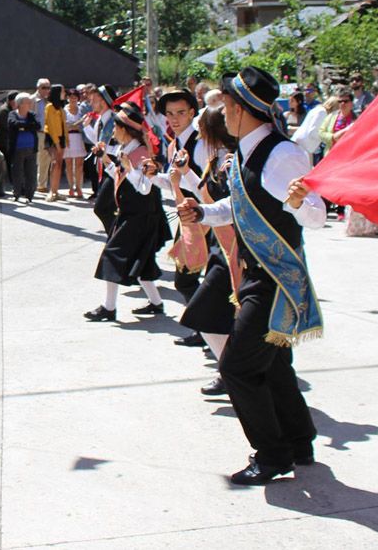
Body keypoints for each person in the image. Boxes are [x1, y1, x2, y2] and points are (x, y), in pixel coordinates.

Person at [176, 67, 325, 486]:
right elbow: (239, 207)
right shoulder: (245, 150)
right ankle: (299, 440)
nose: (220, 112)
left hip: (277, 277)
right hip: (255, 273)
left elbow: (317, 216)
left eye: (224, 103)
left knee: (238, 367)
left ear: (239, 108)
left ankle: (273, 455)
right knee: (272, 361)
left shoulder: (282, 155)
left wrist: (299, 202)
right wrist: (203, 213)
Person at [165, 106, 239, 394]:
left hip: (235, 248)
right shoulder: (216, 159)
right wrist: (186, 175)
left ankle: (233, 372)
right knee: (210, 314)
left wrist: (201, 211)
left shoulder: (230, 161)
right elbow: (206, 194)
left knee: (205, 311)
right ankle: (230, 371)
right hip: (222, 244)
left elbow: (227, 204)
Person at [83, 102, 171, 321]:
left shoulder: (140, 153)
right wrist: (106, 159)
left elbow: (145, 187)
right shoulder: (127, 149)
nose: (113, 131)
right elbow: (119, 176)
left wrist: (129, 168)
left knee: (112, 255)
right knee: (142, 262)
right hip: (130, 214)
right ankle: (156, 303)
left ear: (125, 129)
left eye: (116, 127)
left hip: (140, 215)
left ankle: (109, 307)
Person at [157, 88, 204, 302]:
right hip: (186, 218)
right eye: (170, 113)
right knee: (186, 278)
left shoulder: (201, 143)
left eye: (180, 112)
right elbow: (172, 182)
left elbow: (209, 188)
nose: (174, 119)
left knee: (187, 279)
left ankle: (207, 330)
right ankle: (204, 330)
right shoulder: (174, 145)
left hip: (204, 218)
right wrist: (150, 176)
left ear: (192, 112)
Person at [84, 86, 118, 232]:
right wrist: (86, 127)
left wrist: (103, 151)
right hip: (104, 161)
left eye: (94, 100)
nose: (91, 103)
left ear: (103, 101)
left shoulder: (113, 119)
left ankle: (116, 236)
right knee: (107, 206)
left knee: (102, 207)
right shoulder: (101, 120)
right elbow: (98, 141)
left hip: (113, 162)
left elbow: (111, 145)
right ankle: (115, 235)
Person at [6, 93, 41, 203]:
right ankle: (16, 193)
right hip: (17, 148)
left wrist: (23, 127)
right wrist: (27, 126)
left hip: (31, 148)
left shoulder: (32, 115)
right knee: (17, 172)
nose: (30, 104)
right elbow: (13, 124)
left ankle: (29, 195)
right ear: (20, 104)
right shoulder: (12, 114)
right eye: (27, 102)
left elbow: (37, 125)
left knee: (31, 173)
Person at [63, 89, 86, 199]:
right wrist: (71, 126)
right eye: (70, 97)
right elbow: (64, 126)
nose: (72, 99)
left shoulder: (81, 109)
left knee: (79, 165)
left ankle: (79, 187)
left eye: (75, 97)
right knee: (68, 164)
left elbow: (83, 124)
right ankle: (71, 187)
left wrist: (74, 126)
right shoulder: (64, 110)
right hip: (68, 139)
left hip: (79, 138)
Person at [31, 78, 52, 193]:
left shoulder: (50, 101)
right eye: (44, 87)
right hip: (36, 133)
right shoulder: (31, 100)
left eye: (48, 88)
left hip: (48, 133)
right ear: (38, 88)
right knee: (34, 159)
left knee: (46, 159)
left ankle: (42, 185)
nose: (46, 90)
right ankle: (31, 183)